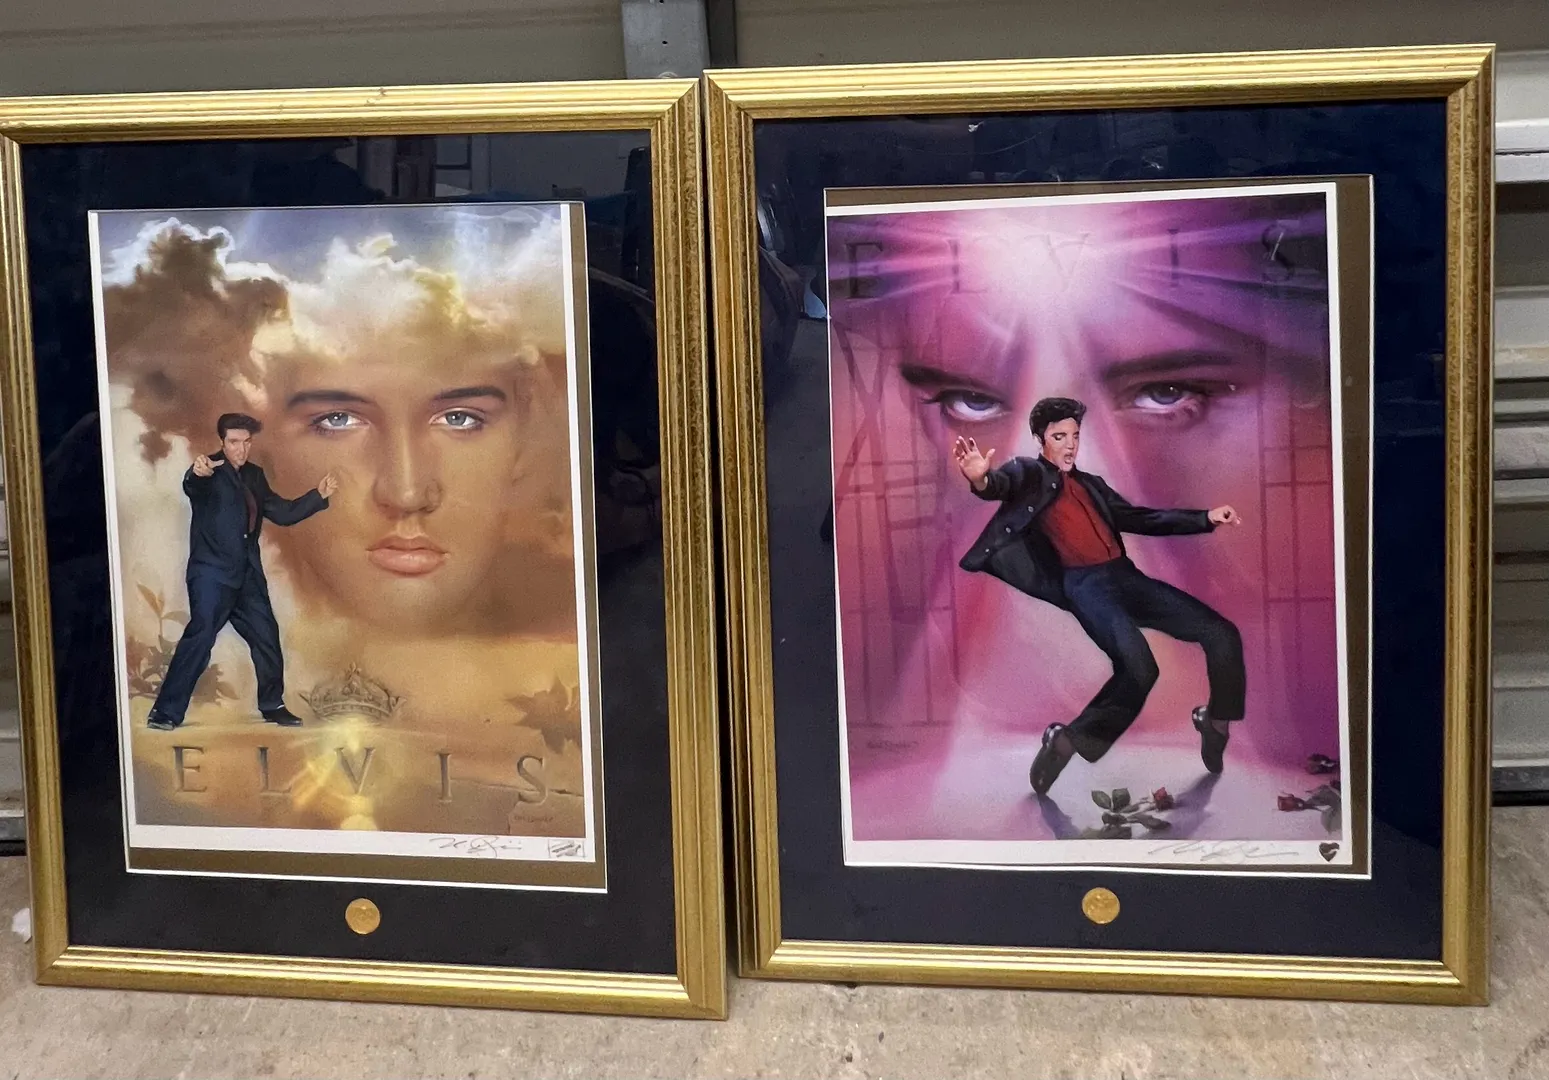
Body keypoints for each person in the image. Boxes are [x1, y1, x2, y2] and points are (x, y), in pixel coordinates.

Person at [954, 396, 1246, 795]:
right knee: (1140, 669)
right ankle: (1065, 742)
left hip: (1125, 577)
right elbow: (1000, 484)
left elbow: (1140, 518)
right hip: (1086, 587)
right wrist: (981, 480)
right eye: (1060, 437)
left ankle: (1215, 724)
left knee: (1222, 633)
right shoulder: (1028, 474)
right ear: (1040, 439)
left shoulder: (1092, 485)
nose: (1070, 445)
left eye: (1075, 436)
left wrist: (1205, 518)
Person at [145, 413, 337, 730]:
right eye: (234, 442)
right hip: (211, 574)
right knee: (200, 637)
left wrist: (319, 495)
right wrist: (196, 473)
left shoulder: (255, 476)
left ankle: (272, 705)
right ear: (223, 442)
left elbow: (282, 513)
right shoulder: (209, 470)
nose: (241, 449)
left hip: (247, 575)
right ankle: (166, 712)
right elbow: (193, 484)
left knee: (267, 638)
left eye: (246, 442)